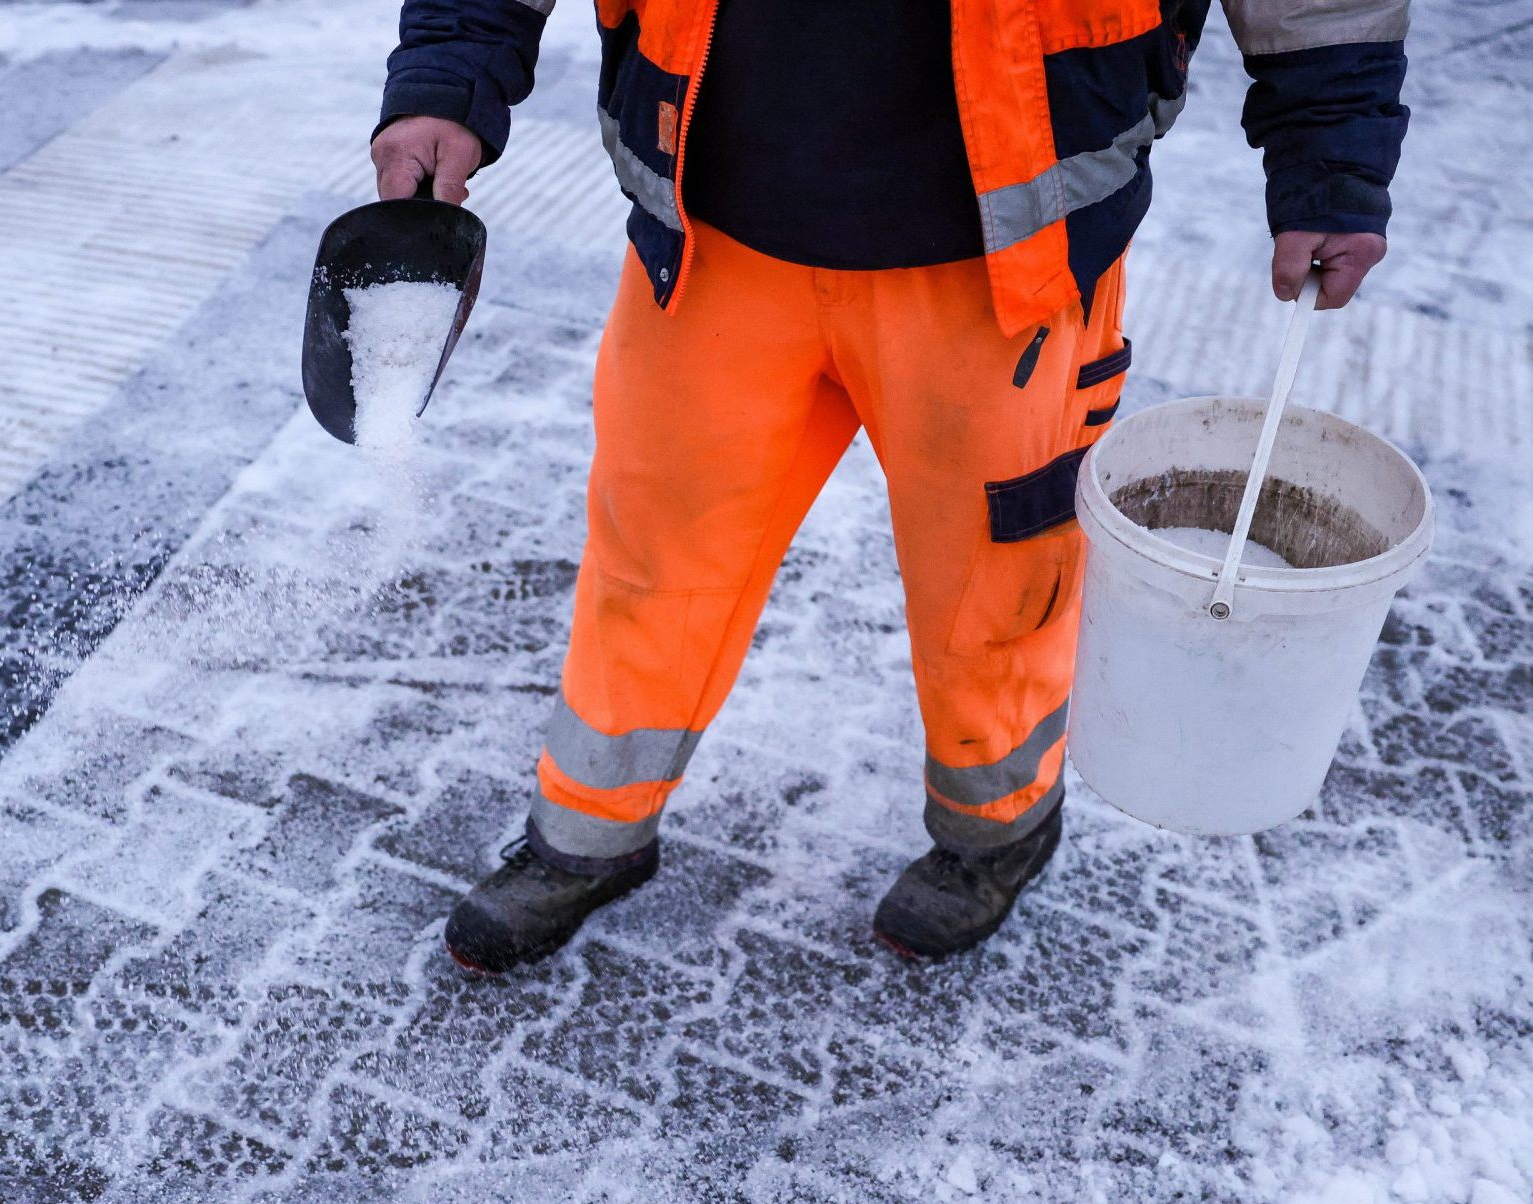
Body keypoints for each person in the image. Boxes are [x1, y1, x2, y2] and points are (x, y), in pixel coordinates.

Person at [370, 0, 1408, 974]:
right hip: (715, 232)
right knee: (653, 550)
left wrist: (1333, 157)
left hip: (1001, 259)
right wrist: (448, 75)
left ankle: (995, 830)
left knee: (996, 586)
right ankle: (587, 831)